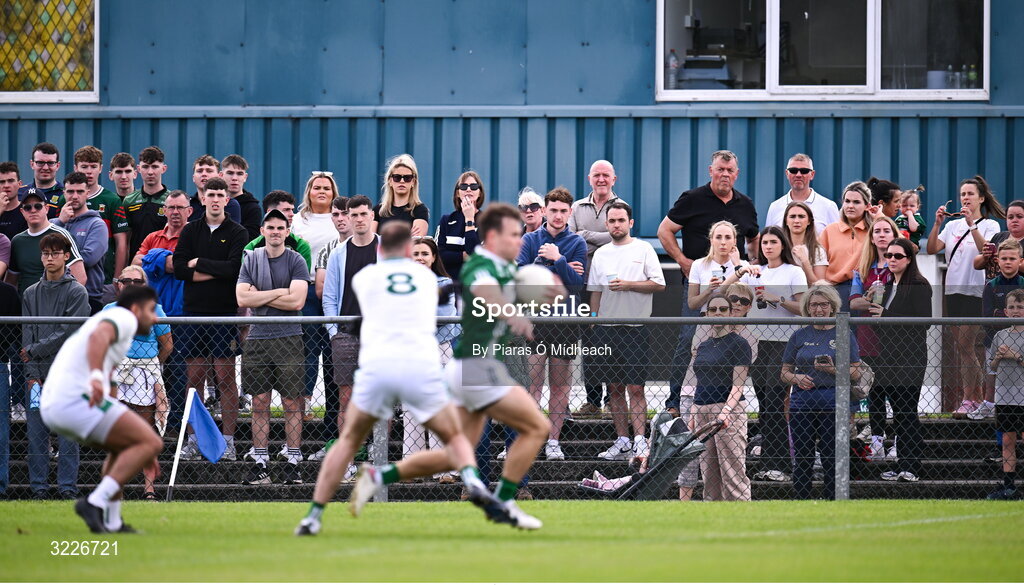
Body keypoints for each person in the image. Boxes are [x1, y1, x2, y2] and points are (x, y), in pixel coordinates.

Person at [296, 222, 506, 536]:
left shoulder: (366, 276)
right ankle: (475, 482)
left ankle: (314, 514)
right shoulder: (424, 276)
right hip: (418, 363)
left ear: (380, 250)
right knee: (453, 433)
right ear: (408, 251)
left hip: (378, 364)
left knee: (348, 441)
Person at [443, 202, 560, 528]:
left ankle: (384, 474)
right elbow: (484, 291)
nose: (520, 240)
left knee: (526, 429)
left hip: (489, 365)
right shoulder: (479, 264)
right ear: (493, 237)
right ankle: (504, 501)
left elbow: (523, 288)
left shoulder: (511, 268)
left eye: (521, 234)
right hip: (474, 364)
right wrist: (513, 313)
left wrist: (549, 289)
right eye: (513, 235)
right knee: (535, 427)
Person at [41, 285, 163, 533]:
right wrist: (96, 377)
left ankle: (113, 521)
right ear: (136, 309)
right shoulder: (123, 317)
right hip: (74, 399)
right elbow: (99, 337)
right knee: (153, 442)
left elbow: (111, 383)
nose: (156, 317)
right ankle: (93, 502)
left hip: (56, 405)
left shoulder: (121, 331)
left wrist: (140, 447)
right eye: (151, 310)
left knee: (128, 446)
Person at [658, 150, 758, 417]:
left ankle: (732, 398)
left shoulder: (745, 204)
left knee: (736, 342)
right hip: (701, 284)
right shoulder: (692, 199)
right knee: (689, 340)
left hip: (735, 290)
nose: (725, 174)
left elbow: (753, 238)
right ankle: (676, 401)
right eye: (720, 169)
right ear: (710, 170)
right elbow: (664, 230)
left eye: (730, 171)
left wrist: (751, 265)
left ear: (737, 174)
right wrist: (683, 261)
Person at [173, 177, 249, 461]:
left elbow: (234, 269)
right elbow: (180, 269)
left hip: (224, 315)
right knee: (194, 380)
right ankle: (194, 440)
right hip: (193, 314)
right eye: (210, 194)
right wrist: (210, 270)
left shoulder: (238, 232)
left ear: (227, 200)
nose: (215, 199)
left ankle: (228, 442)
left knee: (225, 378)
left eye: (220, 195)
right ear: (202, 199)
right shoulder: (191, 230)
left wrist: (199, 264)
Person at [724, 225, 807, 482]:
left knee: (774, 400)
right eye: (765, 243)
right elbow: (726, 293)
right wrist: (740, 269)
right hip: (757, 342)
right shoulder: (754, 272)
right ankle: (770, 461)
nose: (768, 247)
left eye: (773, 242)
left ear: (782, 244)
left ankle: (781, 464)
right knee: (764, 403)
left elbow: (804, 309)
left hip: (783, 343)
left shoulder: (793, 271)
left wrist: (777, 299)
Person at [236, 209, 310, 486]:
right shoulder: (251, 259)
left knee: (292, 401)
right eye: (271, 227)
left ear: (288, 232)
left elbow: (297, 302)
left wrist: (261, 297)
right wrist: (281, 292)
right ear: (262, 231)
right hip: (257, 338)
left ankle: (292, 460)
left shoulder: (297, 260)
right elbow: (242, 297)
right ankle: (260, 461)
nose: (276, 232)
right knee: (259, 401)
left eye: (281, 227)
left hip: (289, 337)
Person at [589, 201, 666, 460]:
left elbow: (659, 284)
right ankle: (622, 440)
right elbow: (596, 293)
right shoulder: (600, 254)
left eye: (621, 220)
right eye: (612, 221)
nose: (616, 225)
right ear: (606, 224)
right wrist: (593, 321)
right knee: (614, 388)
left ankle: (640, 440)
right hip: (607, 330)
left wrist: (630, 285)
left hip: (636, 328)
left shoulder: (643, 249)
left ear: (630, 223)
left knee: (636, 388)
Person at [515, 187, 587, 461]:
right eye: (553, 210)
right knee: (532, 384)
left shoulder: (577, 243)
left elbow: (576, 285)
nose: (558, 216)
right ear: (544, 211)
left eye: (563, 211)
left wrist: (558, 259)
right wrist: (543, 261)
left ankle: (553, 442)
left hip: (565, 320)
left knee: (559, 385)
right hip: (535, 319)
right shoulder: (530, 239)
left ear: (570, 213)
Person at [927, 175, 1004, 416]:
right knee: (961, 348)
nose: (965, 198)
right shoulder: (951, 226)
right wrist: (938, 223)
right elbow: (931, 249)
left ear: (981, 198)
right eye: (962, 194)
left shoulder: (990, 226)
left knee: (967, 345)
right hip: (953, 290)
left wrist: (972, 224)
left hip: (976, 291)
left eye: (970, 194)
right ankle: (969, 397)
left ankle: (974, 397)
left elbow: (987, 252)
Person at [22, 233, 90, 499]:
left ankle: (67, 489)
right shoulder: (30, 293)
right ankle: (39, 488)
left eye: (55, 253)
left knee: (68, 436)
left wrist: (34, 350)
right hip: (37, 374)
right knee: (36, 436)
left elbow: (69, 331)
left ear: (65, 256)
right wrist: (31, 373)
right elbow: (27, 334)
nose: (49, 258)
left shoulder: (77, 291)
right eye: (45, 253)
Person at [781, 285, 862, 500]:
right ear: (807, 307)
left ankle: (833, 500)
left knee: (831, 455)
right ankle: (801, 499)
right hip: (802, 403)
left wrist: (832, 369)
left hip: (833, 401)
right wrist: (796, 378)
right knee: (803, 456)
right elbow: (784, 372)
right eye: (814, 305)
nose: (819, 309)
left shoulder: (843, 333)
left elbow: (855, 372)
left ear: (832, 306)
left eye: (824, 304)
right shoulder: (799, 335)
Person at [319, 195, 379, 471]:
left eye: (362, 214)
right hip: (346, 335)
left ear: (371, 216)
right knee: (347, 399)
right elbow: (329, 297)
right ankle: (349, 460)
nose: (358, 219)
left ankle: (378, 458)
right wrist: (334, 331)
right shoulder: (338, 254)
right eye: (353, 215)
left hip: (380, 336)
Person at [102, 266, 172, 499]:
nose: (131, 284)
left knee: (146, 431)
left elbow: (167, 345)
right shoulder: (109, 310)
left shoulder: (156, 309)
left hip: (145, 371)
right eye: (126, 280)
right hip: (117, 373)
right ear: (118, 284)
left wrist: (152, 368)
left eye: (137, 281)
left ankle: (149, 489)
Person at [867, 238, 932, 483]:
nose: (892, 260)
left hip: (910, 356)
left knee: (906, 411)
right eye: (889, 255)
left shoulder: (919, 284)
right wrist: (875, 300)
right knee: (898, 412)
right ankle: (902, 463)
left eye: (897, 256)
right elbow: (882, 323)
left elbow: (923, 322)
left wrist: (886, 314)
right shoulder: (888, 284)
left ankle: (912, 466)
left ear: (909, 259)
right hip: (889, 356)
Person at [402, 236, 462, 482]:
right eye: (415, 254)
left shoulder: (444, 282)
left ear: (434, 257)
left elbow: (444, 316)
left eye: (424, 254)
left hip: (439, 349)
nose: (419, 258)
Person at [131, 190, 190, 433]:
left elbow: (183, 267)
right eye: (171, 208)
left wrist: (153, 259)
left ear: (190, 210)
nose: (175, 212)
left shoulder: (193, 235)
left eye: (180, 208)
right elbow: (135, 263)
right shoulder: (153, 236)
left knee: (178, 374)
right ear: (164, 210)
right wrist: (165, 258)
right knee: (149, 374)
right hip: (152, 314)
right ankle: (149, 426)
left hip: (180, 313)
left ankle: (175, 426)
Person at [568, 160, 621, 418]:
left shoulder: (620, 207)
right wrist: (601, 238)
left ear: (614, 179)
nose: (601, 179)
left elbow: (618, 238)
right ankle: (592, 400)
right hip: (586, 287)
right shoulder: (577, 207)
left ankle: (613, 400)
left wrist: (586, 235)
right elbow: (570, 241)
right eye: (597, 175)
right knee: (590, 342)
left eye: (606, 176)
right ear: (590, 178)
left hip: (613, 288)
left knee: (612, 342)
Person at [689, 293, 752, 501]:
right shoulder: (704, 345)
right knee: (709, 474)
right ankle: (713, 520)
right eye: (713, 309)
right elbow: (699, 380)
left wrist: (726, 412)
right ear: (706, 314)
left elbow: (738, 385)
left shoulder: (739, 343)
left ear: (730, 313)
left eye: (722, 309)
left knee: (732, 471)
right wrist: (693, 411)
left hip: (727, 411)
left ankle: (741, 517)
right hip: (701, 410)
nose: (718, 313)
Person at [850, 216, 900, 459]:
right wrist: (869, 298)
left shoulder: (900, 265)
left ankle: (899, 440)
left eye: (886, 230)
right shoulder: (863, 268)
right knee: (875, 392)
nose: (881, 235)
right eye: (877, 231)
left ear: (894, 235)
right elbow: (854, 301)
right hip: (868, 337)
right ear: (871, 237)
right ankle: (878, 441)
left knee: (898, 392)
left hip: (894, 338)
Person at [292, 172, 341, 422]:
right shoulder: (297, 220)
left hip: (335, 290)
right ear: (309, 192)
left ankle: (335, 407)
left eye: (327, 188)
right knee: (309, 349)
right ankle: (307, 402)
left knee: (335, 350)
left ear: (334, 193)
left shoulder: (339, 219)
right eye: (317, 187)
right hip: (308, 288)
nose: (322, 191)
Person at [57, 146, 129, 304]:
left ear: (101, 168)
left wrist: (117, 278)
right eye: (84, 166)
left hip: (104, 280)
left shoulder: (112, 199)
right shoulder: (64, 199)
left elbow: (121, 243)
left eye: (93, 166)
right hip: (65, 281)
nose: (88, 171)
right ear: (76, 167)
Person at [975, 238, 1024, 421]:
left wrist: (1000, 315)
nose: (1008, 262)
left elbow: (997, 315)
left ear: (1020, 260)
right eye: (1004, 258)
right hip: (995, 339)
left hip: (1022, 339)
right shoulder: (991, 285)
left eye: (1012, 258)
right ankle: (989, 404)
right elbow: (987, 316)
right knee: (993, 372)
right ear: (997, 260)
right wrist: (1012, 318)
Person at [51, 172, 109, 314]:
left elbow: (88, 259)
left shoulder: (97, 224)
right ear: (64, 193)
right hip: (54, 294)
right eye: (70, 191)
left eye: (80, 191)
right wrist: (60, 222)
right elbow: (43, 254)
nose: (75, 196)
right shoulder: (54, 223)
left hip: (88, 296)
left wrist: (55, 259)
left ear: (87, 193)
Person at [6, 189, 85, 294]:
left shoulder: (61, 235)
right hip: (25, 306)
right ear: (22, 211)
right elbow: (11, 281)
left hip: (54, 305)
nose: (33, 210)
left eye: (38, 206)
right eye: (28, 207)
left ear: (46, 209)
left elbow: (80, 278)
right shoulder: (17, 241)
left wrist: (62, 304)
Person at [986, 288, 1024, 499]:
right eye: (1012, 307)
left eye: (1020, 307)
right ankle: (1009, 486)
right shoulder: (1000, 335)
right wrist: (999, 358)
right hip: (1005, 397)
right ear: (1005, 312)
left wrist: (1015, 355)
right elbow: (991, 366)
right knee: (1008, 441)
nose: (1016, 311)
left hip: (1023, 397)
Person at [820, 181, 874, 305]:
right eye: (847, 201)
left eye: (856, 202)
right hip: (835, 291)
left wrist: (879, 216)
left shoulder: (874, 230)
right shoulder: (829, 230)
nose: (850, 206)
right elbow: (819, 265)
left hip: (865, 290)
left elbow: (899, 245)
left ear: (867, 206)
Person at [765, 154, 839, 234]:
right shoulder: (774, 207)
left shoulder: (828, 207)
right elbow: (769, 239)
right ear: (787, 173)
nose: (798, 175)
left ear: (812, 174)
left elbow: (836, 241)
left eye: (804, 171)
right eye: (793, 170)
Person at [123, 146, 171, 260]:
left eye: (155, 167)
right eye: (145, 167)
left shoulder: (171, 200)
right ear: (139, 169)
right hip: (136, 266)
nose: (150, 172)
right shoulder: (129, 201)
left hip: (163, 266)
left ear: (163, 168)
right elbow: (124, 242)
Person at [435, 170, 484, 281]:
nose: (468, 189)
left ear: (480, 192)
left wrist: (469, 219)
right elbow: (438, 255)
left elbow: (475, 255)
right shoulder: (446, 220)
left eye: (473, 186)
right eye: (463, 186)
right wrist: (463, 256)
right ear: (457, 193)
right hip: (449, 284)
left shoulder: (488, 221)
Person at [243, 190, 313, 269]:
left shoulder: (301, 246)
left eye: (292, 210)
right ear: (269, 212)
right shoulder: (251, 249)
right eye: (286, 210)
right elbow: (246, 278)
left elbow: (303, 279)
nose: (292, 214)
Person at [687, 221, 743, 314]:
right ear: (711, 240)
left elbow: (747, 297)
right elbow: (692, 304)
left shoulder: (743, 266)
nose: (723, 242)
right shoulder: (698, 265)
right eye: (718, 237)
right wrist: (708, 290)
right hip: (708, 322)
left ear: (735, 241)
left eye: (728, 237)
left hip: (735, 324)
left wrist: (737, 265)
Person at [373, 154, 429, 236]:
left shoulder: (420, 210)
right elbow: (371, 243)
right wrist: (406, 236)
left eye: (407, 178)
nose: (402, 181)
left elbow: (416, 243)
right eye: (397, 177)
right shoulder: (378, 211)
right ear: (390, 181)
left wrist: (384, 239)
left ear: (413, 182)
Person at [0, 278, 19, 498]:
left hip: (0, 364)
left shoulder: (8, 293)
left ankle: (1, 487)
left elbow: (14, 334)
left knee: (2, 433)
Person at [974, 199, 1024, 281]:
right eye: (1010, 217)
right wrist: (984, 256)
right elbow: (976, 265)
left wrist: (1005, 258)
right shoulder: (998, 236)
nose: (1014, 220)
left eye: (1019, 216)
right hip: (992, 290)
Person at [189, 155, 242, 224]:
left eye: (209, 171)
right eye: (199, 171)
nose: (204, 174)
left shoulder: (230, 205)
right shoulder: (188, 204)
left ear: (220, 175)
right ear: (193, 177)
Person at [783, 201, 827, 283]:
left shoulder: (817, 250)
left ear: (809, 221)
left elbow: (819, 287)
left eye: (801, 216)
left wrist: (805, 261)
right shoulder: (779, 247)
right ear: (786, 221)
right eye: (792, 216)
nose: (796, 221)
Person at [220, 154, 261, 241]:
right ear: (221, 175)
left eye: (239, 174)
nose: (234, 178)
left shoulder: (253, 208)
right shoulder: (212, 202)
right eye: (230, 173)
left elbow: (250, 241)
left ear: (245, 177)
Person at [18, 142, 62, 217]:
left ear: (57, 166)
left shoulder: (65, 194)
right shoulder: (19, 193)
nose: (45, 168)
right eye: (40, 162)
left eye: (50, 163)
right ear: (32, 164)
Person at [0, 161, 27, 240]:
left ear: (20, 184)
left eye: (11, 181)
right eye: (2, 182)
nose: (6, 185)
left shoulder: (28, 210)